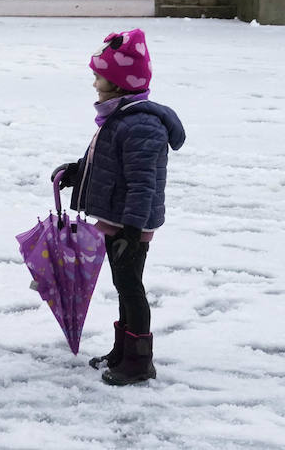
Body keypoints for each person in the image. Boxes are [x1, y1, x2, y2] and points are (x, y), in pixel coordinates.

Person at [57, 28, 185, 386]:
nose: (94, 83)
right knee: (122, 284)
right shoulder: (120, 117)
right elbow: (106, 163)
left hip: (131, 225)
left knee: (131, 288)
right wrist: (77, 171)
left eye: (99, 76)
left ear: (117, 83)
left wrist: (131, 230)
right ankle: (123, 351)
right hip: (117, 220)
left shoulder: (141, 124)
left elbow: (143, 184)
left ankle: (140, 362)